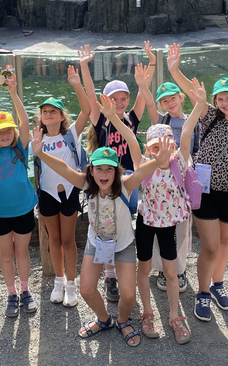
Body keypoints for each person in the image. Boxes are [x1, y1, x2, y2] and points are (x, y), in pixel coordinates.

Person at [30, 95, 169, 347]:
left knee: (128, 295)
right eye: (98, 169)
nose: (104, 174)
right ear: (91, 171)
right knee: (85, 289)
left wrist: (158, 163)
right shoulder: (87, 184)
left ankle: (123, 320)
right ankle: (104, 319)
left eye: (109, 169)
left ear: (116, 171)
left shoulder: (125, 185)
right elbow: (64, 168)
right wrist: (40, 154)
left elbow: (142, 171)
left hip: (123, 244)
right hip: (97, 243)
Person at [167, 44, 228, 322]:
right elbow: (192, 93)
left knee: (224, 241)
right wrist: (174, 70)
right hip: (204, 192)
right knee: (209, 247)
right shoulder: (208, 116)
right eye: (220, 98)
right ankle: (203, 292)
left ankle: (217, 283)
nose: (224, 103)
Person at [79, 43, 155, 302]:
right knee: (106, 226)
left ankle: (122, 268)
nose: (120, 103)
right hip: (104, 181)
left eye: (123, 98)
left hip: (128, 180)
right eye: (114, 99)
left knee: (124, 223)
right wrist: (84, 67)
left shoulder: (131, 119)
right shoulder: (101, 120)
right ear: (106, 101)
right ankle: (110, 275)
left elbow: (143, 92)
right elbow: (90, 94)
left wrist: (151, 65)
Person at [136, 78, 207, 345]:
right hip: (145, 222)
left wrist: (200, 102)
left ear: (173, 145)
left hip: (168, 225)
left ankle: (175, 317)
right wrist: (113, 116)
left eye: (166, 144)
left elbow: (186, 130)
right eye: (155, 146)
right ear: (148, 149)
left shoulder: (179, 161)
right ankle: (147, 313)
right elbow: (130, 137)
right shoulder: (144, 164)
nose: (161, 150)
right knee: (143, 269)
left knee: (171, 271)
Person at [0, 73, 38, 319]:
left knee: (22, 252)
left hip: (23, 209)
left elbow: (24, 122)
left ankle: (25, 290)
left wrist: (13, 93)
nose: (4, 135)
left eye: (8, 131)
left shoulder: (21, 148)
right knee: (6, 255)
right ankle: (11, 293)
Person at [33, 65, 90, 308]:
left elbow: (87, 110)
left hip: (69, 192)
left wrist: (77, 84)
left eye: (53, 111)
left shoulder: (71, 134)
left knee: (68, 239)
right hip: (46, 194)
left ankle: (71, 284)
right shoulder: (37, 138)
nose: (48, 114)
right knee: (53, 239)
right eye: (45, 111)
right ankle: (58, 281)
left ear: (62, 116)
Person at [146, 43, 201, 294]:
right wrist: (144, 82)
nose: (169, 103)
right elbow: (148, 104)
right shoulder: (161, 121)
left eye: (173, 98)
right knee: (160, 225)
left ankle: (179, 269)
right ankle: (162, 268)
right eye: (164, 100)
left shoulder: (193, 120)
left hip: (183, 178)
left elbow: (198, 103)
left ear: (181, 97)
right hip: (161, 178)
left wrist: (175, 69)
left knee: (182, 228)